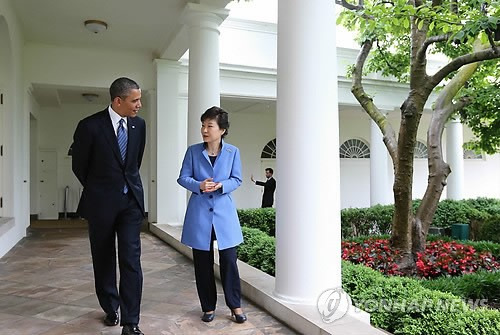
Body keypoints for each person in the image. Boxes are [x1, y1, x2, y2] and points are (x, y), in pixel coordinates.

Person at [71, 77, 146, 335]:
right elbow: (79, 166)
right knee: (103, 259)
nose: (139, 104)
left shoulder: (139, 126)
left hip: (130, 205)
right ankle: (111, 308)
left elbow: (134, 163)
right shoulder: (89, 126)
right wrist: (101, 189)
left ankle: (131, 321)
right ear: (118, 100)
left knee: (131, 260)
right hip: (100, 205)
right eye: (134, 100)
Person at [177, 106, 247, 324]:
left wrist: (220, 185)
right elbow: (182, 178)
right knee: (202, 263)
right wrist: (199, 184)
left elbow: (237, 179)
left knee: (229, 261)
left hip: (224, 215)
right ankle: (207, 306)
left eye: (210, 125)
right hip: (199, 215)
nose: (204, 130)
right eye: (203, 125)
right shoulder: (193, 151)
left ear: (222, 130)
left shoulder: (232, 152)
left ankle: (235, 305)